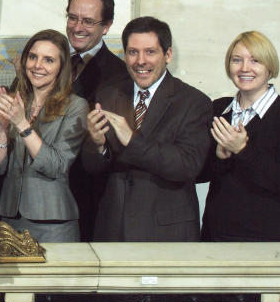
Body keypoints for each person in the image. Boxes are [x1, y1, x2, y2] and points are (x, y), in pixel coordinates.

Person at [82, 16, 212, 242]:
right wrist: (97, 144)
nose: (140, 61)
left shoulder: (194, 101)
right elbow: (91, 169)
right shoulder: (107, 94)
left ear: (168, 55)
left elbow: (187, 165)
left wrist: (132, 140)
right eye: (133, 52)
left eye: (150, 52)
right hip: (114, 228)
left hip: (167, 232)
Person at [201, 31, 280, 241]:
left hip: (270, 241)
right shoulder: (217, 109)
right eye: (237, 60)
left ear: (269, 67)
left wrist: (242, 150)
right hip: (216, 236)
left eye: (255, 60)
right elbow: (198, 174)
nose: (245, 68)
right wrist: (219, 156)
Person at [0, 29, 88, 242]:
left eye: (48, 60)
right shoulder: (15, 100)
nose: (37, 65)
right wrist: (3, 129)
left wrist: (21, 123)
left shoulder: (76, 106)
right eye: (33, 57)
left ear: (61, 67)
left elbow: (56, 165)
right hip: (10, 221)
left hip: (53, 224)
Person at [64, 0, 128, 241]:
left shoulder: (121, 75)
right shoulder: (48, 63)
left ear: (107, 26)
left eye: (88, 21)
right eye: (72, 17)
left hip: (90, 203)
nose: (77, 27)